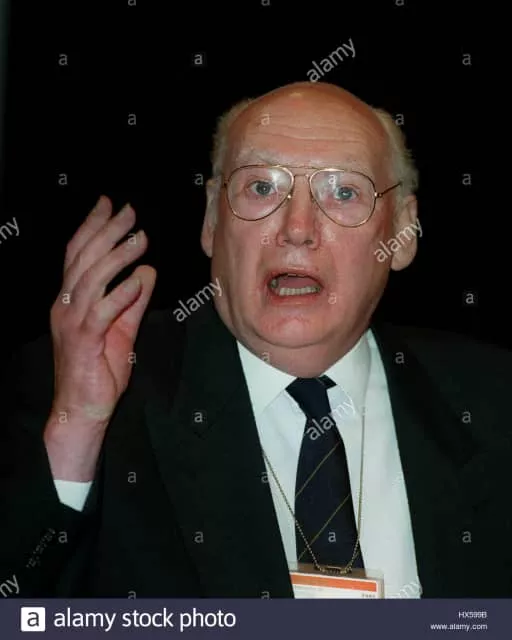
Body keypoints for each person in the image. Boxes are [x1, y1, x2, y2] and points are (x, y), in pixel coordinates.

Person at [1, 81, 511, 599]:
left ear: (401, 231)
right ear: (211, 219)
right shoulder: (86, 392)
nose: (297, 228)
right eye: (262, 188)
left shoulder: (494, 399)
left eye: (343, 192)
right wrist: (77, 429)